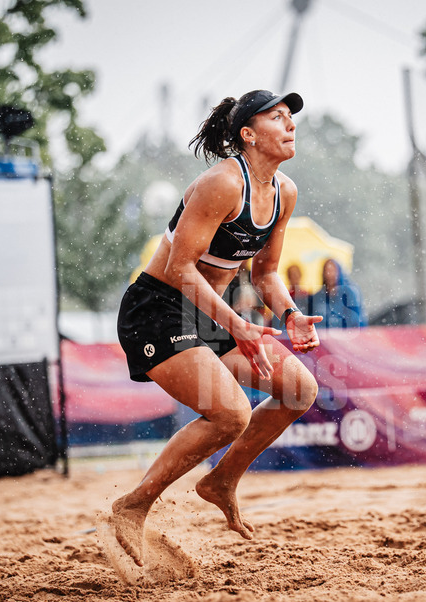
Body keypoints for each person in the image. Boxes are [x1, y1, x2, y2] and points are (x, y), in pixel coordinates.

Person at [112, 89, 323, 568]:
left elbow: (266, 273)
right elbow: (183, 269)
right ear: (248, 134)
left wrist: (289, 314)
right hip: (158, 308)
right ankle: (134, 505)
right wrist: (240, 326)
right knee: (231, 414)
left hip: (207, 312)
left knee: (298, 389)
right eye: (277, 117)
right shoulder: (222, 183)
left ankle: (221, 481)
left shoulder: (284, 192)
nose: (290, 125)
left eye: (291, 117)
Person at [305, 258, 367, 329]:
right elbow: (310, 320)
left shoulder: (350, 294)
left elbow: (356, 321)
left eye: (332, 270)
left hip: (345, 337)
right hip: (321, 337)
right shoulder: (316, 297)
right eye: (327, 271)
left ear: (339, 272)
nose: (329, 274)